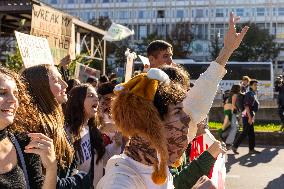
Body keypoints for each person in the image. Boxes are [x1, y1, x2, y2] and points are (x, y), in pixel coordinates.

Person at [97, 12, 248, 189]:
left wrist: (227, 50)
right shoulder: (121, 182)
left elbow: (200, 96)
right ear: (151, 124)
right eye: (178, 112)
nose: (188, 122)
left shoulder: (157, 165)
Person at [22, 64, 90, 188]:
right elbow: (43, 182)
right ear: (41, 88)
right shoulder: (33, 130)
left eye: (62, 79)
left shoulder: (56, 123)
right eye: (56, 80)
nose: (65, 85)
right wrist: (82, 179)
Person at [0, 66, 57, 189]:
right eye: (2, 93)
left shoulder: (25, 144)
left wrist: (51, 167)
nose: (13, 100)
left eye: (16, 93)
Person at [65, 84, 122, 188]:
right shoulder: (67, 133)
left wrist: (116, 145)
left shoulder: (92, 130)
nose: (96, 99)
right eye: (90, 96)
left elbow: (103, 159)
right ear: (78, 101)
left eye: (96, 96)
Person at [232, 79, 260, 154]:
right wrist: (250, 118)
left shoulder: (253, 93)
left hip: (250, 115)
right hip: (247, 115)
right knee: (245, 132)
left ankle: (251, 149)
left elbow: (253, 107)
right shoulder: (249, 94)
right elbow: (247, 106)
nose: (256, 86)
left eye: (257, 85)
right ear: (250, 86)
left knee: (251, 133)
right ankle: (235, 146)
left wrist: (252, 117)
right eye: (255, 85)